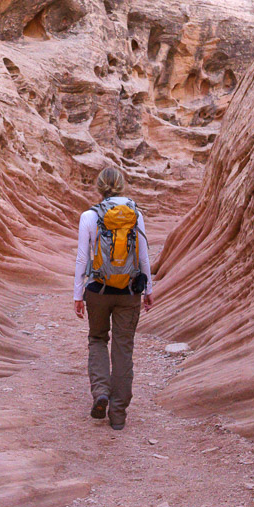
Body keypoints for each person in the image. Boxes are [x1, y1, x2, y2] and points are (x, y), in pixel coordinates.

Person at [72, 166, 153, 431]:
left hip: (97, 289)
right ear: (121, 185)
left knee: (97, 339)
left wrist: (77, 294)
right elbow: (143, 256)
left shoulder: (88, 216)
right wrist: (148, 289)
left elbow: (82, 258)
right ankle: (117, 413)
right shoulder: (136, 214)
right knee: (123, 348)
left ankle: (101, 393)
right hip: (129, 292)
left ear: (99, 187)